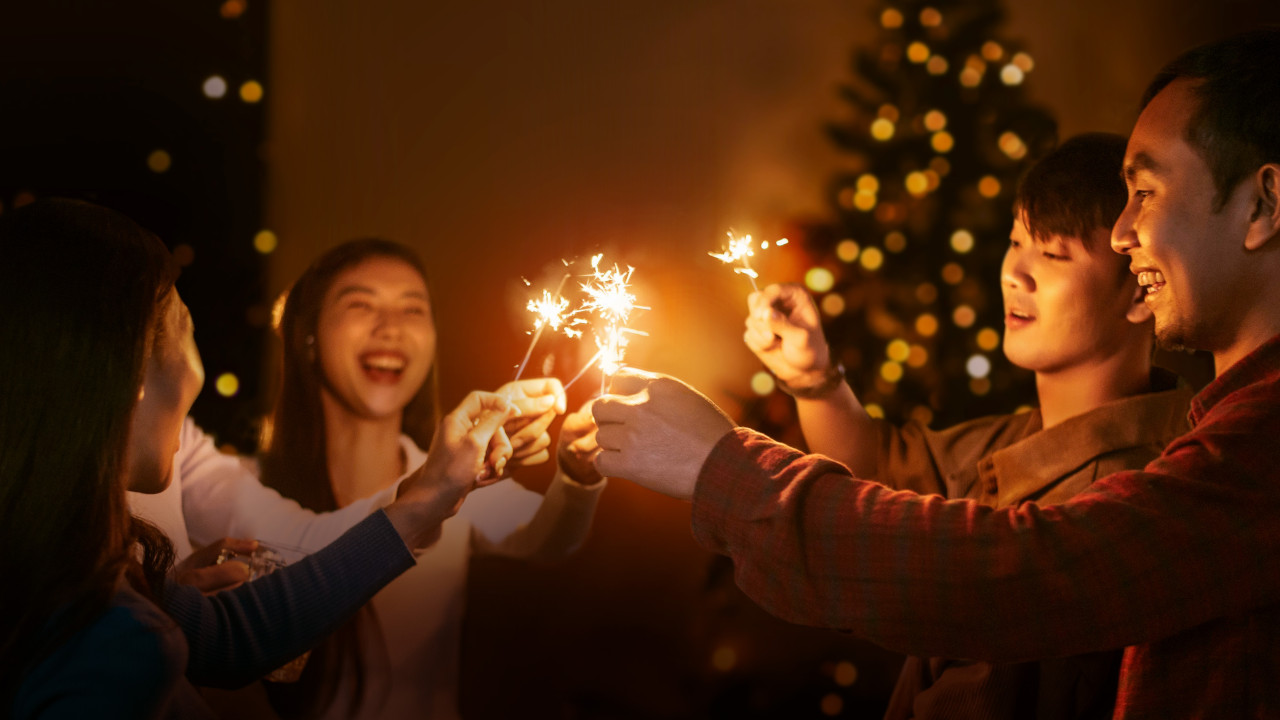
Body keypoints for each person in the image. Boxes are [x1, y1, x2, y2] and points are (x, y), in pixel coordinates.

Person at [592, 29, 1280, 718]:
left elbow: (1018, 577)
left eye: (1147, 192)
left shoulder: (1243, 452)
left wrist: (722, 467)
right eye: (1016, 244)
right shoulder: (1204, 432)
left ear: (1262, 206)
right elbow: (889, 473)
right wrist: (816, 384)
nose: (1127, 235)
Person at [0, 199, 530, 718]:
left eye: (413, 308)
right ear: (132, 371)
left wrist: (433, 493)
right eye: (187, 327)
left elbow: (228, 639)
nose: (197, 376)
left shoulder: (78, 561)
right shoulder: (101, 634)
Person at [742, 133, 1191, 719]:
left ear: (1140, 287)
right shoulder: (1015, 438)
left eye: (1054, 256)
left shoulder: (1123, 495)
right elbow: (880, 465)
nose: (1014, 274)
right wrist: (814, 379)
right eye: (1015, 241)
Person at [229, 238, 602, 720]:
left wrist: (575, 471)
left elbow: (549, 541)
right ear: (308, 336)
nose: (391, 329)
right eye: (360, 304)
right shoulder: (238, 491)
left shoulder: (459, 481)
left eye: (413, 310)